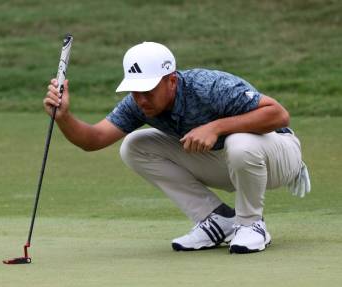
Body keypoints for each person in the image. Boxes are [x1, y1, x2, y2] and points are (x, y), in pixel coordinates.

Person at [43, 42, 311, 254]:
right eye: (134, 90)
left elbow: (278, 115)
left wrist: (216, 127)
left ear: (171, 81)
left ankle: (251, 224)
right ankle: (217, 220)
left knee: (239, 142)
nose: (140, 99)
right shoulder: (138, 103)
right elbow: (94, 139)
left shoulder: (209, 86)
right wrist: (64, 117)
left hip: (279, 157)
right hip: (227, 162)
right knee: (134, 146)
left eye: (147, 90)